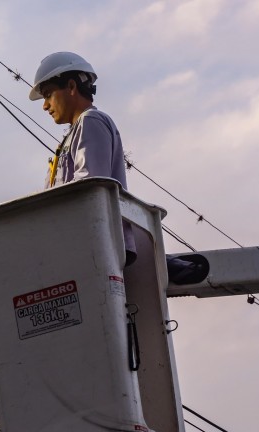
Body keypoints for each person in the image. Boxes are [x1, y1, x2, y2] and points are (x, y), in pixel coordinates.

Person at [30, 52, 208, 284]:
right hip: (78, 245)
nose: (45, 105)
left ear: (71, 86)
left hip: (93, 243)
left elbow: (89, 188)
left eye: (48, 94)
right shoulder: (72, 136)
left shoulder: (91, 122)